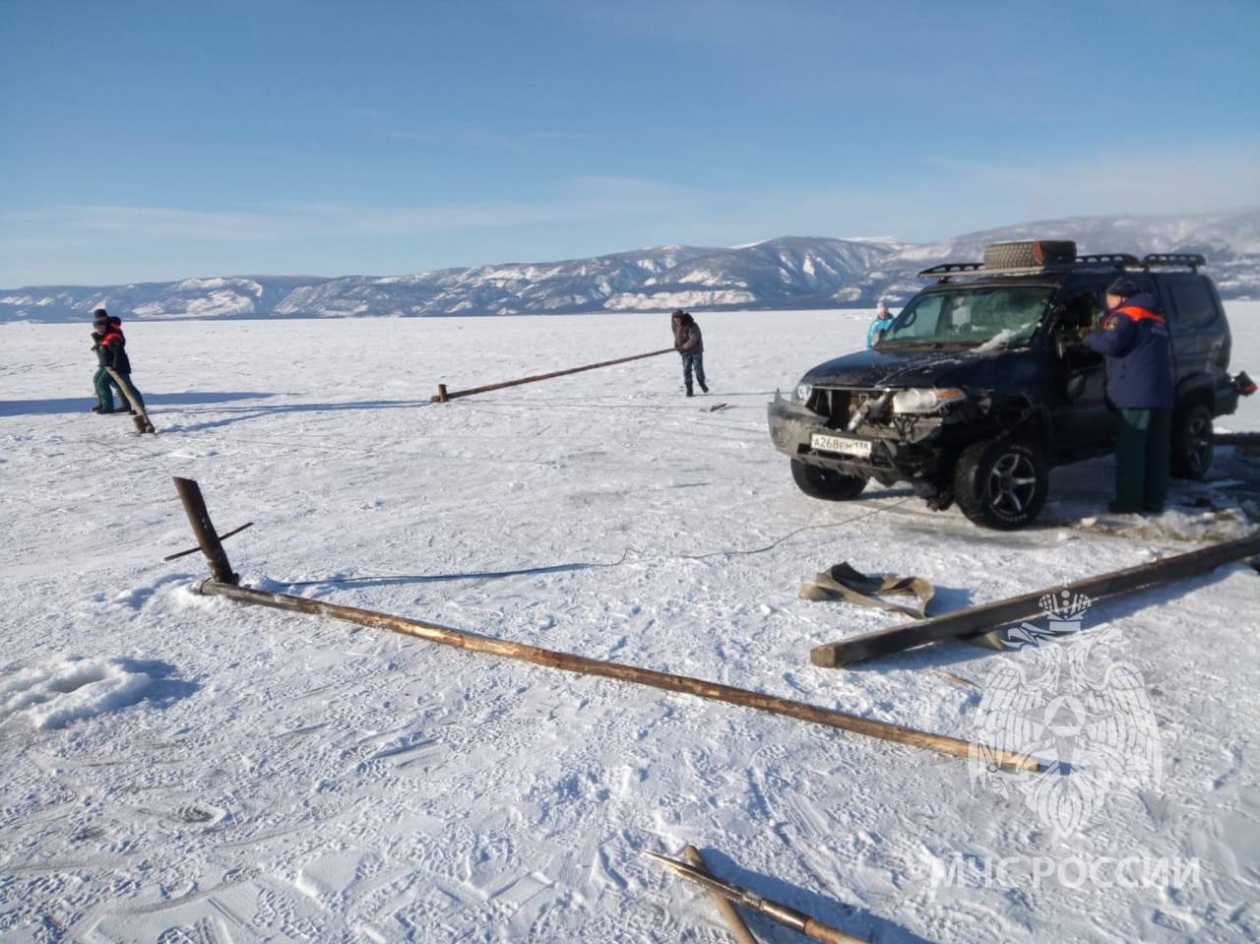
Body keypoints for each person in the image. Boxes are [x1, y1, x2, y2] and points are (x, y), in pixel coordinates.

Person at [1085, 277, 1174, 514]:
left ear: (1120, 297)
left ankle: (1129, 503)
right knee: (1157, 450)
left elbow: (1111, 345)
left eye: (1110, 297)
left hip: (1135, 396)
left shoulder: (1124, 316)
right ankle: (1155, 500)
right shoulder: (1156, 317)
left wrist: (1088, 337)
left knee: (1130, 452)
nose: (1107, 302)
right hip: (1162, 394)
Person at [98, 313, 156, 433]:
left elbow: (118, 351)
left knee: (128, 388)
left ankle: (140, 412)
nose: (99, 326)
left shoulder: (112, 333)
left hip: (116, 368)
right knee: (109, 384)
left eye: (101, 321)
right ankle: (130, 408)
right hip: (110, 367)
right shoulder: (107, 333)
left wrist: (115, 365)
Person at [90, 309, 124, 413]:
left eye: (101, 317)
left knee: (106, 382)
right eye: (98, 318)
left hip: (112, 360)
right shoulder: (104, 325)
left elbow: (116, 344)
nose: (100, 319)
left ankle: (108, 406)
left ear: (106, 316)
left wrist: (114, 362)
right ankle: (103, 403)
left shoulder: (112, 325)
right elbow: (103, 339)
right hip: (105, 359)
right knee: (97, 379)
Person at [670, 309, 707, 397]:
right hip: (685, 352)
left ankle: (701, 382)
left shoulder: (692, 325)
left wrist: (684, 347)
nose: (677, 319)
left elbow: (693, 339)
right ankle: (689, 389)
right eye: (675, 318)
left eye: (678, 317)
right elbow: (676, 337)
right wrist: (677, 346)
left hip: (696, 351)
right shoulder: (674, 325)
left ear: (682, 317)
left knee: (698, 370)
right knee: (686, 370)